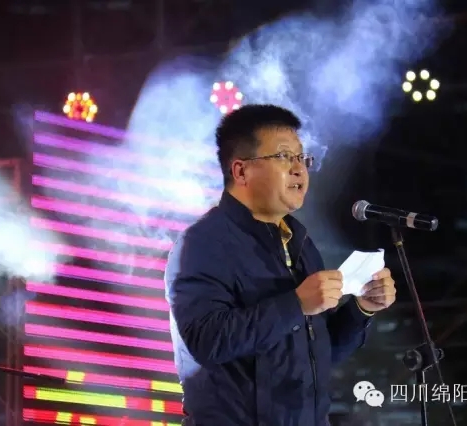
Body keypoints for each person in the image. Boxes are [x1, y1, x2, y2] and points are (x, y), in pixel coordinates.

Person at [164, 104, 397, 426]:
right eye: (284, 157)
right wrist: (296, 304)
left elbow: (318, 356)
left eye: (302, 158)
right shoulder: (202, 243)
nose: (299, 169)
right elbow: (206, 341)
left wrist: (361, 309)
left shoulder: (300, 243)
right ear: (241, 171)